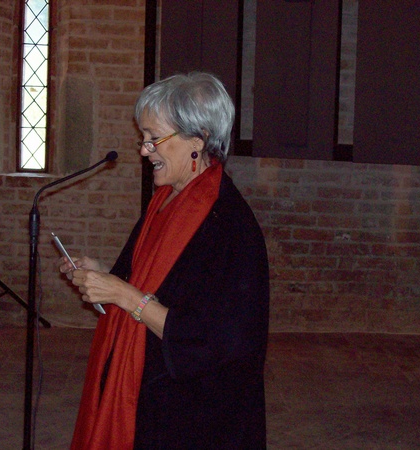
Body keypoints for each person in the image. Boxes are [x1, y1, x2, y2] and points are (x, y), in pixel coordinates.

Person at [58, 72, 269, 449]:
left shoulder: (230, 226)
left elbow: (219, 342)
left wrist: (124, 295)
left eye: (154, 138)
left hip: (199, 414)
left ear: (197, 141)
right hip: (153, 393)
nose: (144, 150)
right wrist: (103, 277)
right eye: (143, 138)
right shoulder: (166, 200)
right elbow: (152, 282)